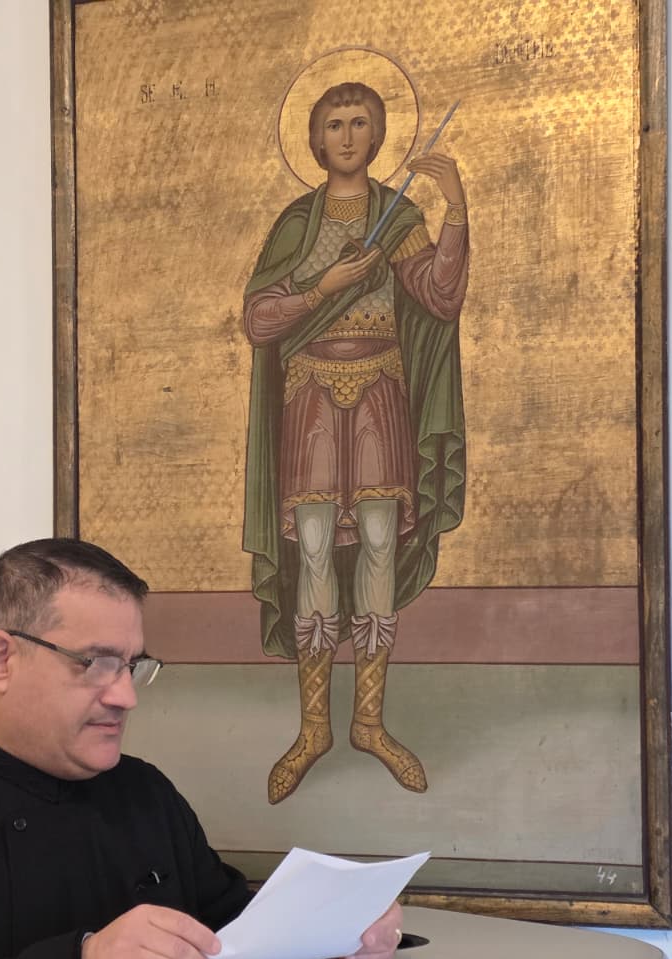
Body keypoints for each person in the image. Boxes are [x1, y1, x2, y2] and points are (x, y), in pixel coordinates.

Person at [0, 538, 406, 959]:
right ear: (0, 660)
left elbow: (230, 929)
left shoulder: (145, 792)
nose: (126, 696)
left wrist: (333, 928)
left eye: (132, 666)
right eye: (97, 663)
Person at [243, 81, 469, 804]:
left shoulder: (396, 217)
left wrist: (455, 208)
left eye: (360, 123)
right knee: (312, 550)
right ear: (316, 139)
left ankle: (368, 722)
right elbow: (259, 320)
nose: (346, 135)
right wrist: (324, 285)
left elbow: (438, 295)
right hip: (309, 393)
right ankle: (314, 729)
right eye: (334, 124)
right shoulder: (297, 222)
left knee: (377, 544)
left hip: (380, 392)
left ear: (377, 136)